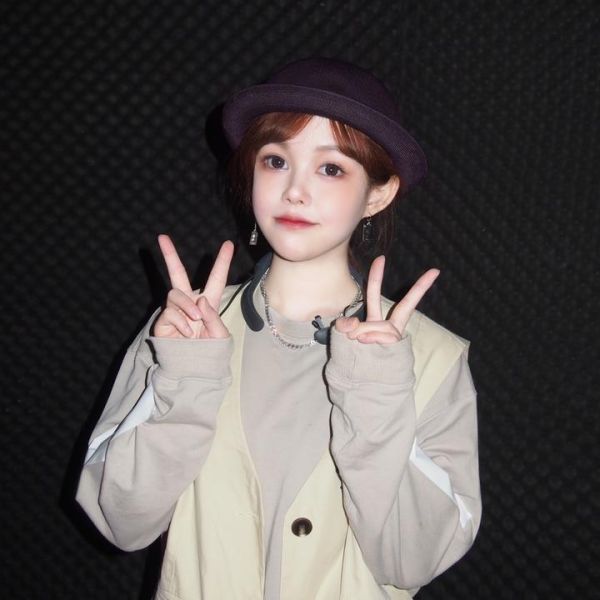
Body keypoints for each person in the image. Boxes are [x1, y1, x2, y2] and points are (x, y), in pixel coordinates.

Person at [77, 57, 481, 600]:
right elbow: (118, 521)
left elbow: (414, 560)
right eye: (275, 160)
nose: (294, 190)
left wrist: (379, 397)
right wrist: (185, 382)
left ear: (378, 194)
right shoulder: (181, 334)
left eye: (331, 168)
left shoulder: (434, 357)